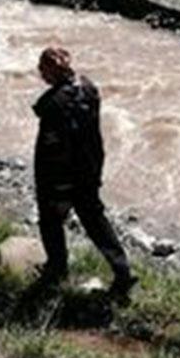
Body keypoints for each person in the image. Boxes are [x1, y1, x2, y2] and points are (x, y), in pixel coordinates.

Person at [31, 46, 136, 299]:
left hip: (62, 176)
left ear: (49, 71)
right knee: (96, 223)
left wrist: (49, 184)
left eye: (41, 69)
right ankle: (123, 272)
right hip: (89, 169)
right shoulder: (89, 89)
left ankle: (57, 270)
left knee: (51, 221)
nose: (40, 74)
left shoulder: (53, 104)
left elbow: (50, 150)